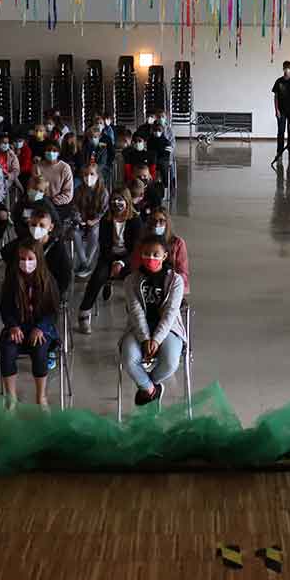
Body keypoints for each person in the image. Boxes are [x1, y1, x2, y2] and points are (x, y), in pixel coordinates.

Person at [120, 235, 187, 408]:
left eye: (156, 254)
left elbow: (170, 312)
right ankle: (151, 389)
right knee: (128, 359)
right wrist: (145, 339)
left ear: (164, 256)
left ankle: (148, 384)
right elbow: (135, 311)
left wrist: (156, 339)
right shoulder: (130, 281)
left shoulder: (176, 281)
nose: (151, 257)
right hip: (138, 328)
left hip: (168, 328)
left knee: (171, 361)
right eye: (146, 253)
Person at [0, 239, 61, 408]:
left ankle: (41, 397)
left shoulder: (48, 280)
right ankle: (11, 398)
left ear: (38, 259)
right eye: (22, 259)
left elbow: (53, 311)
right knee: (7, 350)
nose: (26, 263)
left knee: (40, 352)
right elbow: (5, 308)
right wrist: (13, 326)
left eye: (30, 259)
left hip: (41, 329)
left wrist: (41, 328)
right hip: (17, 327)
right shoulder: (12, 279)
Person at [77, 190, 141, 334]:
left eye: (120, 200)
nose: (116, 203)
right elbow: (104, 245)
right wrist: (113, 262)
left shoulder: (135, 220)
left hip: (129, 258)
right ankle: (84, 313)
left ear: (127, 201)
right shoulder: (106, 220)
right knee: (97, 277)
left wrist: (121, 263)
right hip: (108, 257)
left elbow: (137, 249)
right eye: (114, 200)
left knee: (133, 282)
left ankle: (134, 317)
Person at [36, 141, 76, 211]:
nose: (51, 153)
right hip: (40, 203)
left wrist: (53, 202)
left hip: (57, 205)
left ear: (59, 153)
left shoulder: (65, 168)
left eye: (54, 151)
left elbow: (68, 194)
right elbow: (33, 186)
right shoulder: (38, 166)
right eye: (48, 150)